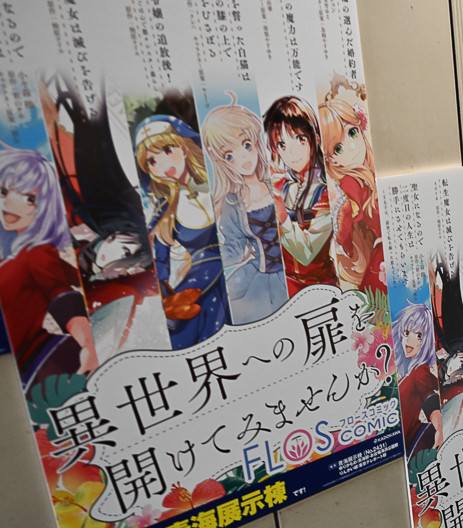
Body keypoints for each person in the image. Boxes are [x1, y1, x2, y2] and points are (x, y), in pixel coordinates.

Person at [0, 146, 97, 388]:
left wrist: (88, 344)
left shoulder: (36, 252)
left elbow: (62, 298)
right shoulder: (0, 262)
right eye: (3, 191)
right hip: (15, 372)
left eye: (30, 199)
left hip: (45, 366)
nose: (11, 204)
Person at [134, 115, 231, 348]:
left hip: (239, 264)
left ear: (184, 147)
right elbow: (160, 257)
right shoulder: (164, 210)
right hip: (201, 279)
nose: (163, 165)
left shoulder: (219, 181)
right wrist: (163, 291)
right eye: (152, 161)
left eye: (168, 150)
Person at [203, 97, 288, 323]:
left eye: (246, 145)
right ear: (222, 162)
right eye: (229, 156)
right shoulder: (233, 203)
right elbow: (234, 248)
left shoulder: (279, 183)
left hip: (298, 270)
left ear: (256, 141)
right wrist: (204, 259)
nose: (242, 158)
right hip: (262, 280)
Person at [263, 95, 338, 294]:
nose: (291, 153)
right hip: (285, 287)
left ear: (315, 139)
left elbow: (306, 253)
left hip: (320, 289)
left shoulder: (325, 193)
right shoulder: (286, 188)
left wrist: (280, 211)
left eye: (300, 139)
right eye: (282, 145)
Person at [318, 79, 384, 293]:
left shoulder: (371, 174)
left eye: (353, 133)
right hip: (381, 259)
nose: (352, 146)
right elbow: (345, 231)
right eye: (338, 148)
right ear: (331, 159)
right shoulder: (351, 185)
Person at [392, 303, 442, 455]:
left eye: (419, 335)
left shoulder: (419, 370)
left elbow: (429, 397)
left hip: (409, 447)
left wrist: (440, 427)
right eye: (406, 332)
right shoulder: (404, 371)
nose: (410, 340)